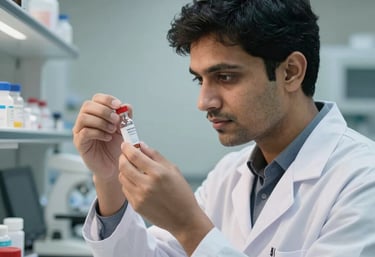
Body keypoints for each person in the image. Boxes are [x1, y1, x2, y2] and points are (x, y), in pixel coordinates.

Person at [72, 0, 375, 256]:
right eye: (199, 79)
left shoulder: (363, 179)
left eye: (226, 77)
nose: (204, 101)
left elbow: (194, 238)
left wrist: (190, 227)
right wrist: (109, 177)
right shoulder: (229, 175)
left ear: (291, 72)